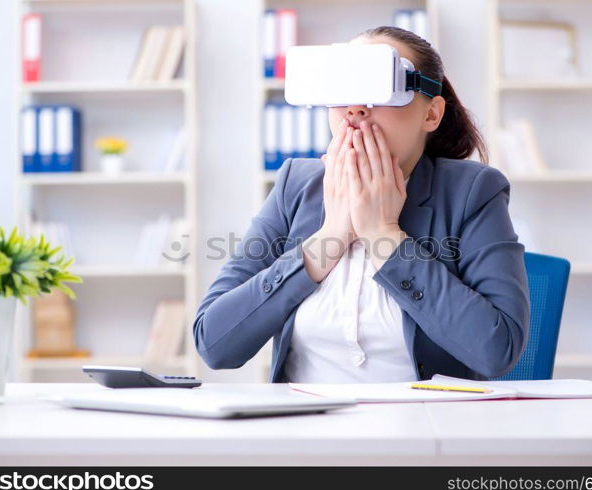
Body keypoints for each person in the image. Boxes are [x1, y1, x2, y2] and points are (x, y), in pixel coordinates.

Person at [193, 26, 530, 384]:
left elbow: (496, 350)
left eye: (378, 89)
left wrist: (383, 235)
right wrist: (330, 237)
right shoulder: (296, 185)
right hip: (304, 428)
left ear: (431, 114)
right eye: (345, 89)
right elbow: (214, 344)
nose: (355, 109)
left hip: (424, 426)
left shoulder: (472, 191)